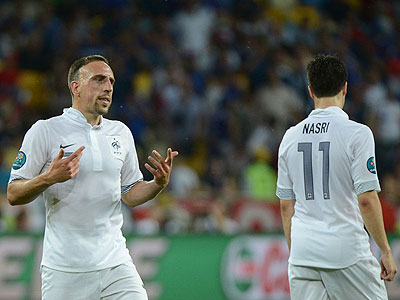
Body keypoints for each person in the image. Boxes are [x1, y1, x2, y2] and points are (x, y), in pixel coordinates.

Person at [7, 55, 178, 300]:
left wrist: (157, 185)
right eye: (99, 80)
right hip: (65, 270)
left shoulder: (120, 132)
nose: (108, 86)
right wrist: (49, 178)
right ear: (76, 87)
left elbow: (129, 194)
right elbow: (13, 194)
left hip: (115, 264)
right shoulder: (45, 131)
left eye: (111, 81)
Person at [276, 54, 397, 300]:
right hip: (346, 252)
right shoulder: (358, 134)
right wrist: (385, 250)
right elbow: (366, 200)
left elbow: (286, 206)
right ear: (345, 88)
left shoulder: (290, 137)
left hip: (303, 254)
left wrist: (298, 253)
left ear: (310, 91)